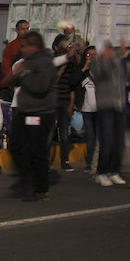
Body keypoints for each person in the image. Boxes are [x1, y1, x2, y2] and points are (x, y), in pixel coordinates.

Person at [8, 32, 57, 201]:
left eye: (24, 46)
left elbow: (41, 86)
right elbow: (17, 80)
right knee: (15, 145)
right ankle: (27, 180)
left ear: (34, 46)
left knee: (37, 151)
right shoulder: (27, 62)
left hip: (40, 113)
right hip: (24, 111)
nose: (21, 49)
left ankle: (41, 188)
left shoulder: (44, 62)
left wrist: (24, 74)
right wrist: (16, 75)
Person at [93, 39, 127, 187]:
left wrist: (123, 57)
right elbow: (104, 74)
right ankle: (101, 172)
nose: (110, 52)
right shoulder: (98, 63)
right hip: (105, 106)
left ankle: (114, 171)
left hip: (119, 106)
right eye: (107, 49)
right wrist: (110, 59)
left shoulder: (117, 62)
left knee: (119, 142)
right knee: (107, 141)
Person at [50, 34, 78, 172]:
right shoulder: (52, 62)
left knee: (64, 133)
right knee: (49, 132)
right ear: (55, 47)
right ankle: (45, 162)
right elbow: (51, 80)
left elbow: (72, 86)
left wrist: (71, 105)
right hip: (52, 101)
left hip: (65, 100)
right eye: (62, 45)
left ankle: (65, 160)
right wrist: (61, 69)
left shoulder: (71, 65)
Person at [76, 47, 98, 172]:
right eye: (90, 54)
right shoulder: (82, 70)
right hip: (87, 108)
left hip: (100, 108)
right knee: (90, 136)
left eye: (95, 55)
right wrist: (85, 67)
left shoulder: (101, 70)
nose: (92, 57)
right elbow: (73, 81)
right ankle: (90, 162)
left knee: (99, 138)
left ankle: (98, 162)